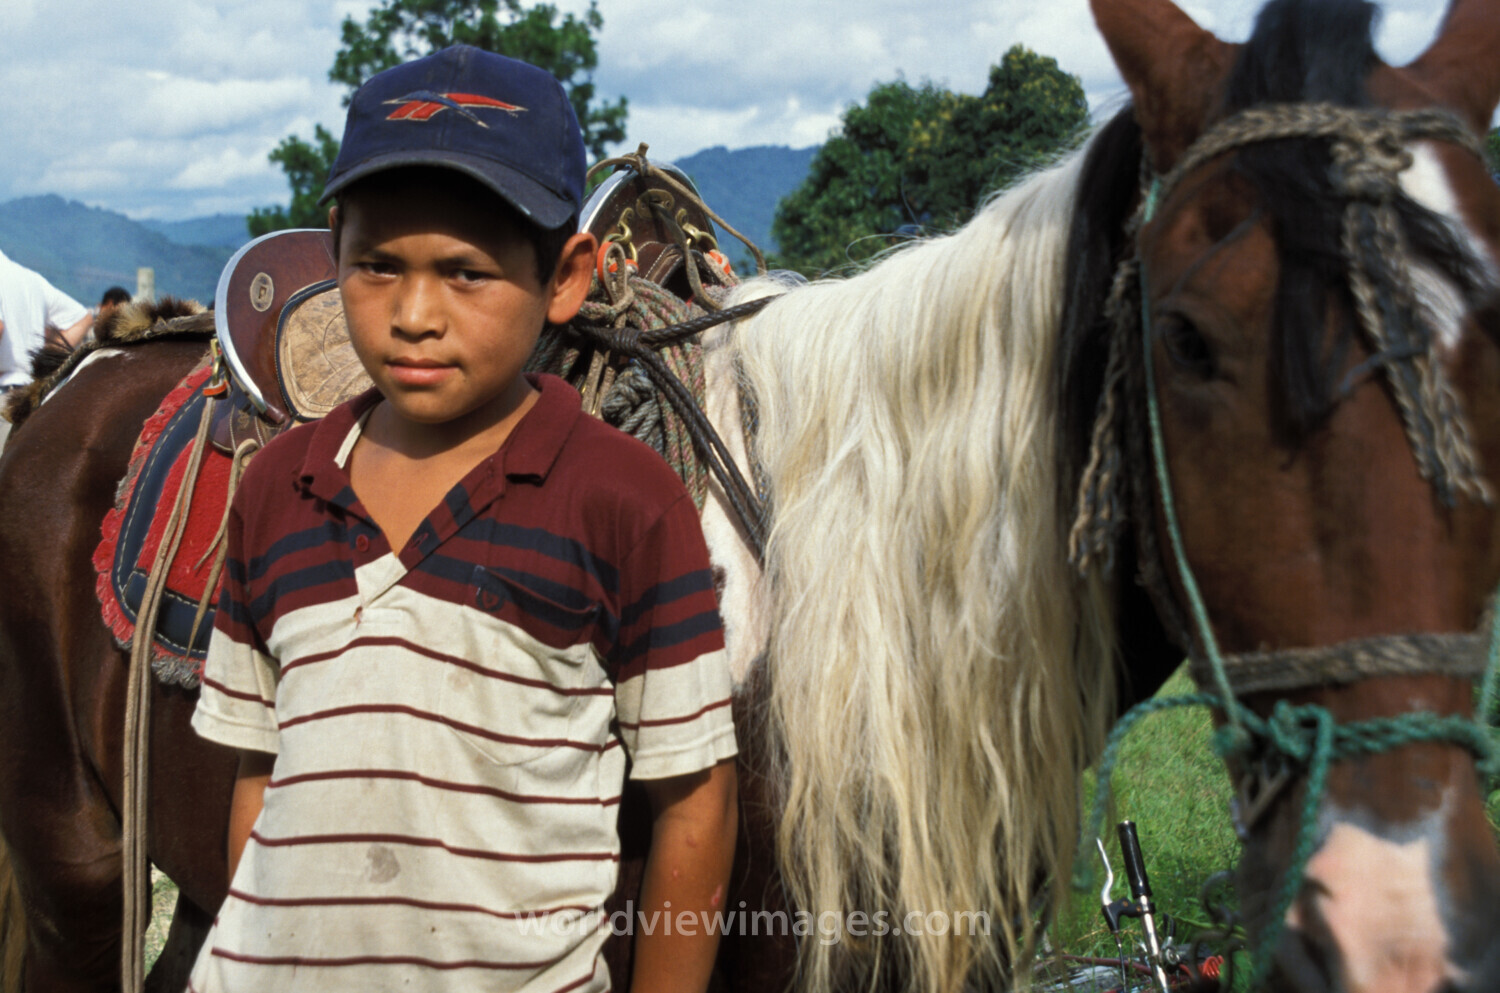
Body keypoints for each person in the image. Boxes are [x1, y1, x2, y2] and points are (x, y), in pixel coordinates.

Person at [186, 45, 738, 993]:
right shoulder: (277, 485)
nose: (412, 313)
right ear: (333, 256)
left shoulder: (626, 501)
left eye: (466, 273)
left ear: (567, 277)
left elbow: (695, 797)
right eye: (376, 266)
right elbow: (260, 773)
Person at [0, 248, 92, 446]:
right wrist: (45, 358)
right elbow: (81, 318)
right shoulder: (29, 279)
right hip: (34, 396)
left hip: (4, 398)